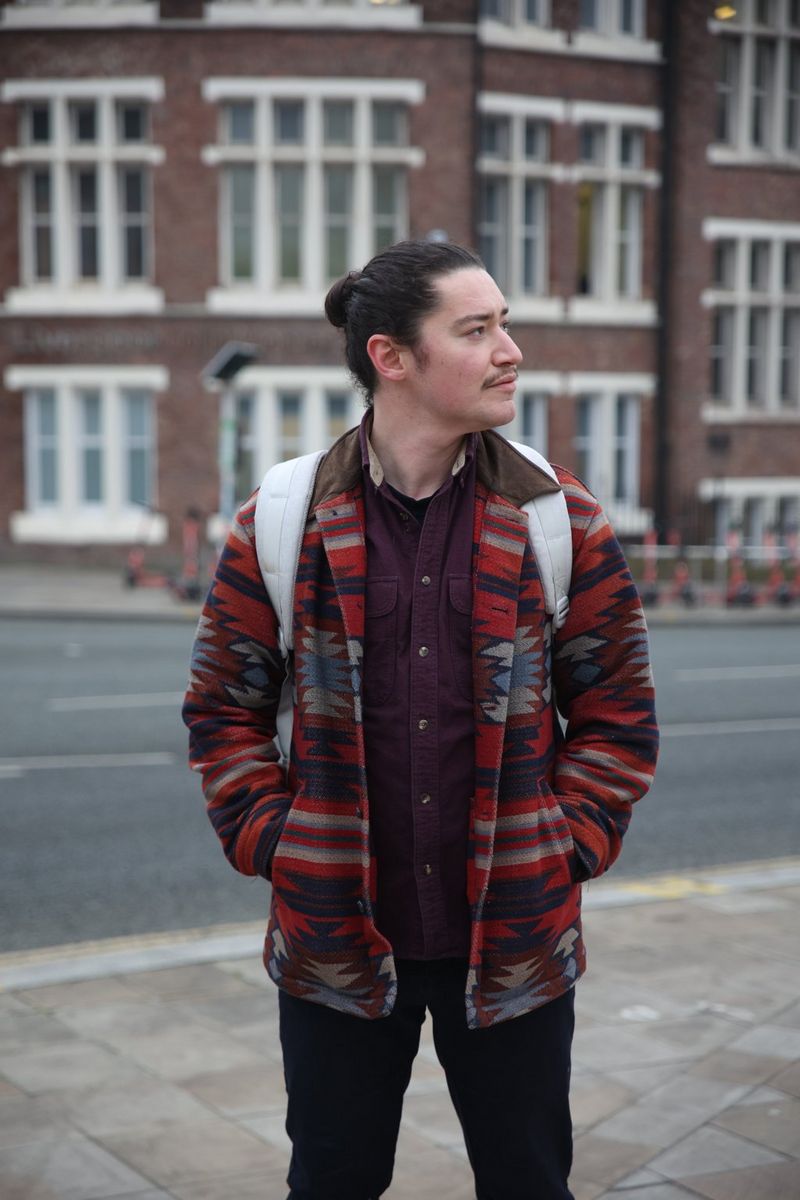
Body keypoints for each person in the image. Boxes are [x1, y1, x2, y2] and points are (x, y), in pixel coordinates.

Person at [182, 239, 659, 1200]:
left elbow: (618, 712)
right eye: (476, 330)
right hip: (336, 946)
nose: (509, 351)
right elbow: (223, 709)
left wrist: (568, 843)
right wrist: (275, 841)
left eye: (504, 325)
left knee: (529, 1182)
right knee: (333, 1182)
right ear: (391, 357)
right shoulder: (284, 518)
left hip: (516, 943)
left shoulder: (556, 516)